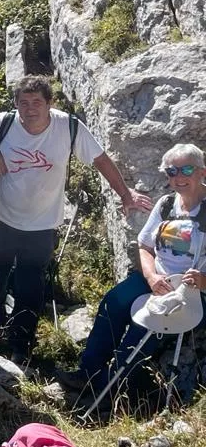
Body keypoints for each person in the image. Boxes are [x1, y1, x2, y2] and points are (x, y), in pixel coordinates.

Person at [0, 74, 152, 361]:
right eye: (23, 103)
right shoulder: (5, 123)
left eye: (37, 102)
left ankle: (21, 344)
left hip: (42, 223)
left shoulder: (69, 127)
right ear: (15, 104)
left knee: (31, 283)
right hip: (0, 215)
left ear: (49, 104)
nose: (30, 109)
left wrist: (125, 195)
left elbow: (100, 159)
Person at [57, 143, 206, 404]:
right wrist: (150, 276)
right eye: (172, 171)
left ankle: (105, 392)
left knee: (144, 327)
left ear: (202, 172)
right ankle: (88, 373)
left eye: (187, 169)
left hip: (191, 291)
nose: (179, 177)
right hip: (158, 279)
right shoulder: (167, 204)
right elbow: (145, 245)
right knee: (113, 303)